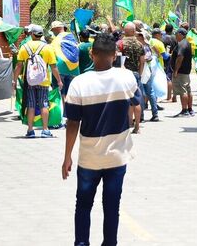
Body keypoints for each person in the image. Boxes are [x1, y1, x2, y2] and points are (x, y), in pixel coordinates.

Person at [63, 33, 141, 246]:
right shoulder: (126, 77)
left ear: (92, 54)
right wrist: (135, 126)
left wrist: (67, 156)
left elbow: (72, 123)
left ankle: (81, 243)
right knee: (112, 206)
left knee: (83, 205)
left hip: (89, 158)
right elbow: (136, 104)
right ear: (114, 55)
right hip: (117, 157)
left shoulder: (79, 83)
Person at [13, 25, 63, 138]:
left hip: (30, 81)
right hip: (44, 81)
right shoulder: (48, 48)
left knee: (30, 105)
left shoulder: (24, 47)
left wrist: (14, 80)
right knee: (44, 104)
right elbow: (54, 67)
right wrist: (59, 81)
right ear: (41, 35)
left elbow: (19, 65)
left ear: (32, 34)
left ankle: (30, 130)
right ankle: (45, 130)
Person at [118, 23, 145, 133]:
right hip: (135, 73)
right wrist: (140, 73)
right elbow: (142, 61)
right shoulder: (139, 44)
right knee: (136, 100)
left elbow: (118, 59)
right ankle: (137, 126)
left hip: (124, 74)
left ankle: (128, 123)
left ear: (124, 31)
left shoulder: (120, 43)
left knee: (125, 100)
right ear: (134, 31)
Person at [171, 28, 194, 117]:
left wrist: (176, 70)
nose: (175, 36)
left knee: (182, 91)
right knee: (188, 90)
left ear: (181, 34)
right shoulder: (187, 43)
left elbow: (180, 57)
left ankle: (184, 110)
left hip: (181, 71)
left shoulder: (182, 44)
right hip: (186, 71)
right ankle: (190, 109)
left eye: (176, 34)